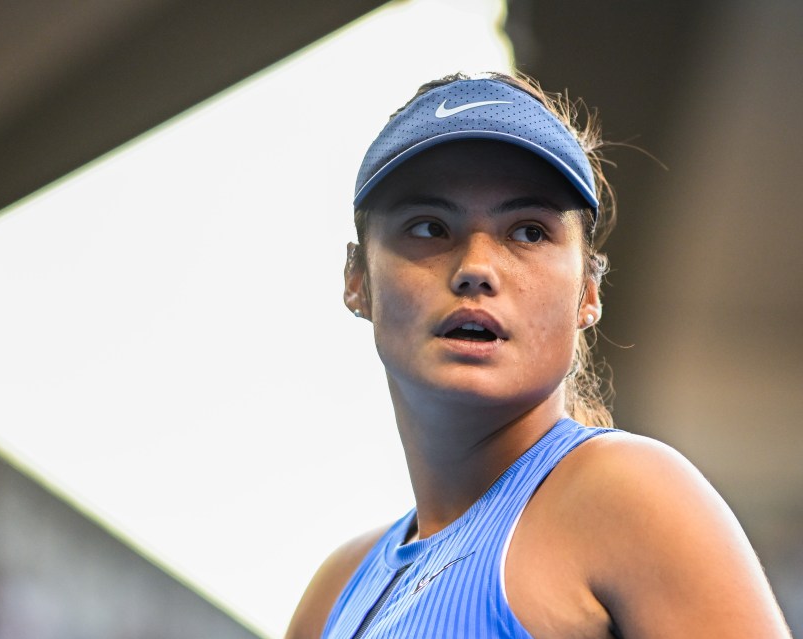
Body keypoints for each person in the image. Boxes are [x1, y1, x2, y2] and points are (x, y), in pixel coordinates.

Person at [284, 72, 792, 639]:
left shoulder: (633, 496)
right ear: (357, 279)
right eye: (429, 227)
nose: (476, 268)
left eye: (527, 232)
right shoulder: (333, 593)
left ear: (588, 293)